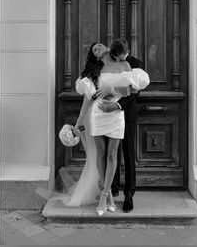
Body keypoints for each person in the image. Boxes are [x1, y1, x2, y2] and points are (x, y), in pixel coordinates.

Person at [64, 42, 149, 216]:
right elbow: (88, 98)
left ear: (108, 48)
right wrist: (80, 120)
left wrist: (110, 89)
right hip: (98, 115)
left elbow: (129, 91)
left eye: (100, 46)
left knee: (116, 154)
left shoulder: (125, 64)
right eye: (94, 49)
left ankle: (123, 194)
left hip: (118, 114)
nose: (98, 49)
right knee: (102, 155)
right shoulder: (93, 71)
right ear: (94, 56)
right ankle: (108, 194)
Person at [97, 39, 143, 213]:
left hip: (126, 114)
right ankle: (112, 188)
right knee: (111, 152)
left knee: (128, 153)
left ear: (128, 51)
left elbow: (134, 93)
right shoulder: (111, 60)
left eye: (121, 57)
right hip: (108, 116)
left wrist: (117, 105)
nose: (118, 60)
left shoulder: (136, 64)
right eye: (116, 57)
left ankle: (129, 195)